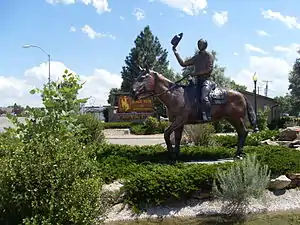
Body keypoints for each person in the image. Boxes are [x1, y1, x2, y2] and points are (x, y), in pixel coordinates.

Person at [172, 39, 214, 122]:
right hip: (197, 82)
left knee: (204, 97)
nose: (199, 45)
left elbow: (209, 69)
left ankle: (207, 116)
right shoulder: (196, 57)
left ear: (205, 45)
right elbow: (183, 63)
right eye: (198, 43)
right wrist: (175, 52)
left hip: (206, 81)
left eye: (201, 44)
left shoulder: (208, 56)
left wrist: (195, 73)